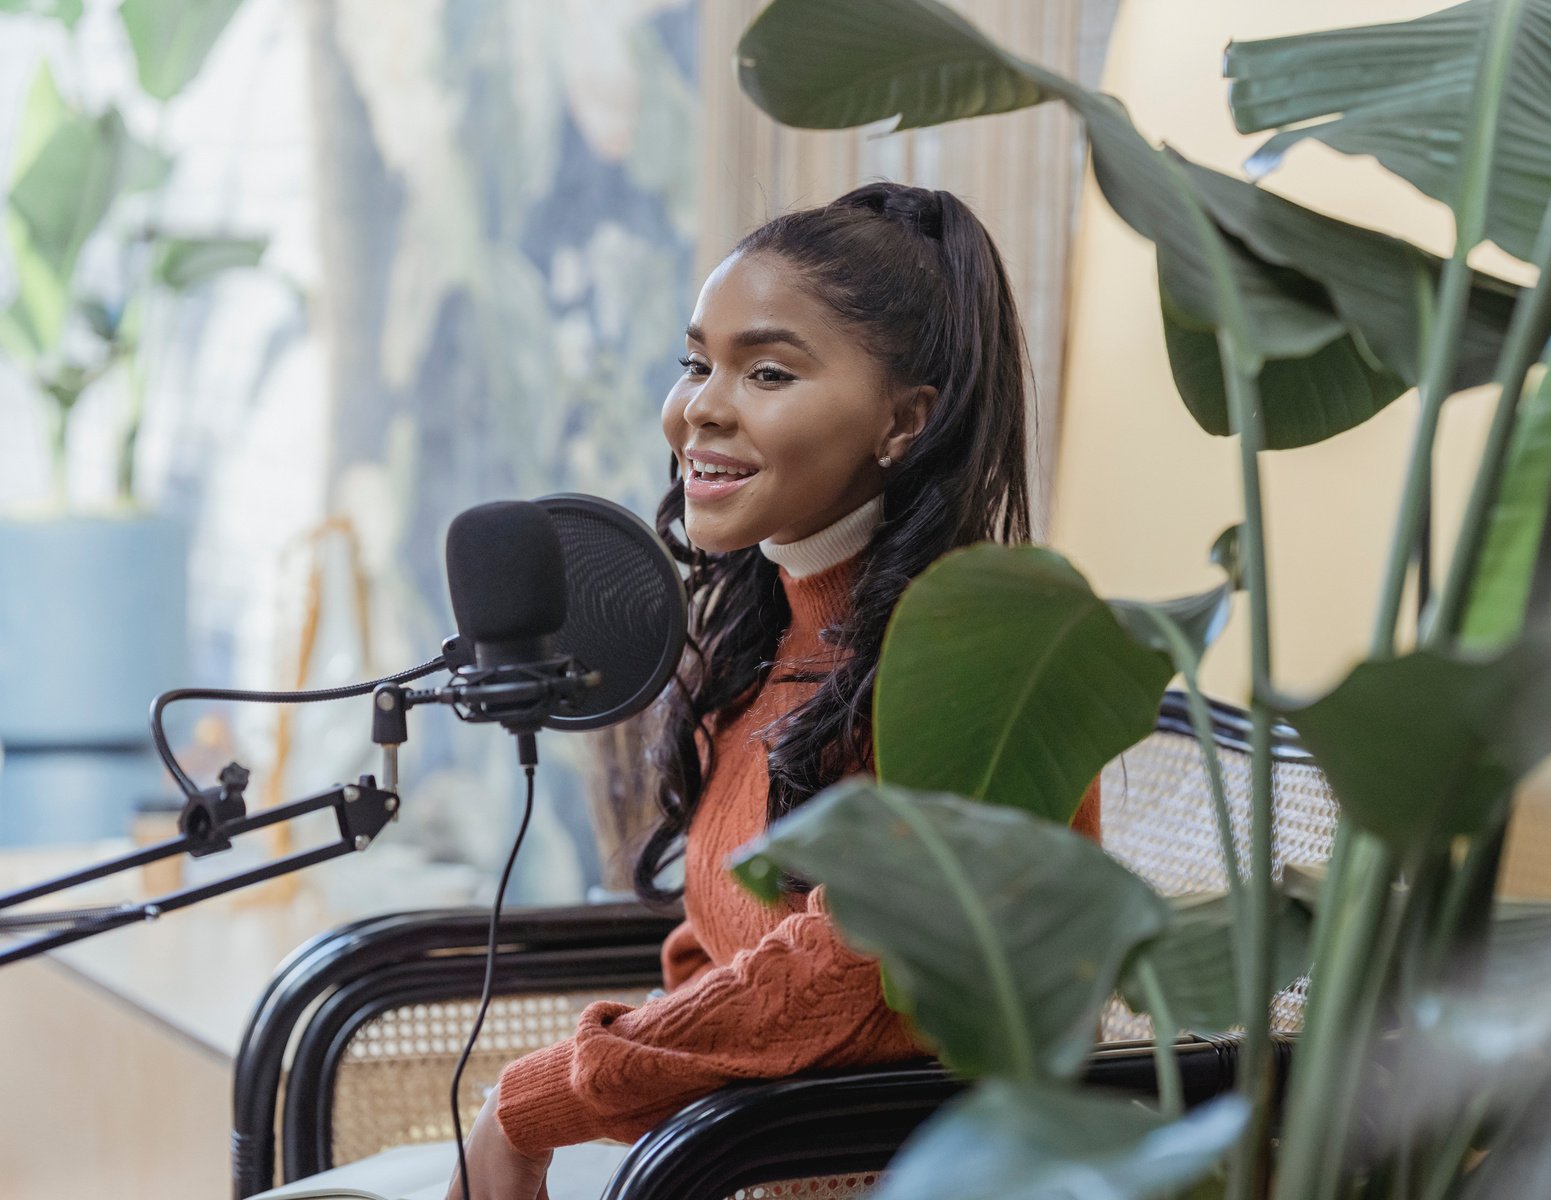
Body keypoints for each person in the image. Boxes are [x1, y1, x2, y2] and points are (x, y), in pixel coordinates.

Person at [446, 180, 1104, 1199]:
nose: (702, 407)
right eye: (697, 363)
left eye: (765, 371)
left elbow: (834, 973)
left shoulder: (984, 661)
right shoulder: (760, 638)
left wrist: (533, 1104)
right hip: (736, 1159)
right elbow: (718, 951)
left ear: (904, 422)